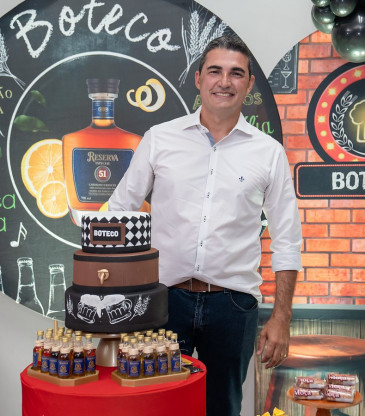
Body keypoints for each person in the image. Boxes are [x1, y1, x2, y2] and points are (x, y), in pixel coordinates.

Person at [108, 34, 302, 416]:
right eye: (215, 71)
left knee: (223, 409)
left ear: (249, 84)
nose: (224, 82)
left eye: (236, 73)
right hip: (163, 300)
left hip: (234, 306)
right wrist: (116, 295)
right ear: (198, 79)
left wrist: (282, 317)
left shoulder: (269, 153)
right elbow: (119, 213)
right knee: (157, 407)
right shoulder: (160, 139)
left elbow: (287, 240)